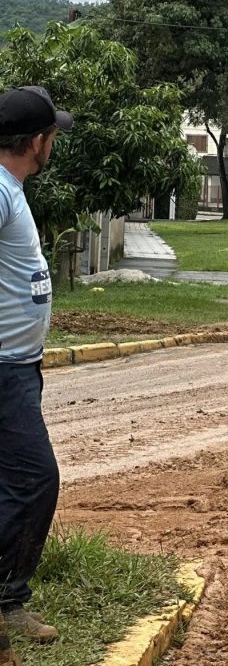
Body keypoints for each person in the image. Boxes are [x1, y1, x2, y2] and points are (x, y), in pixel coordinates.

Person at [0, 85, 73, 645]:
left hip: (19, 367)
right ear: (38, 140)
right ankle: (7, 601)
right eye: (53, 135)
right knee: (35, 478)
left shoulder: (12, 188)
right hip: (3, 372)